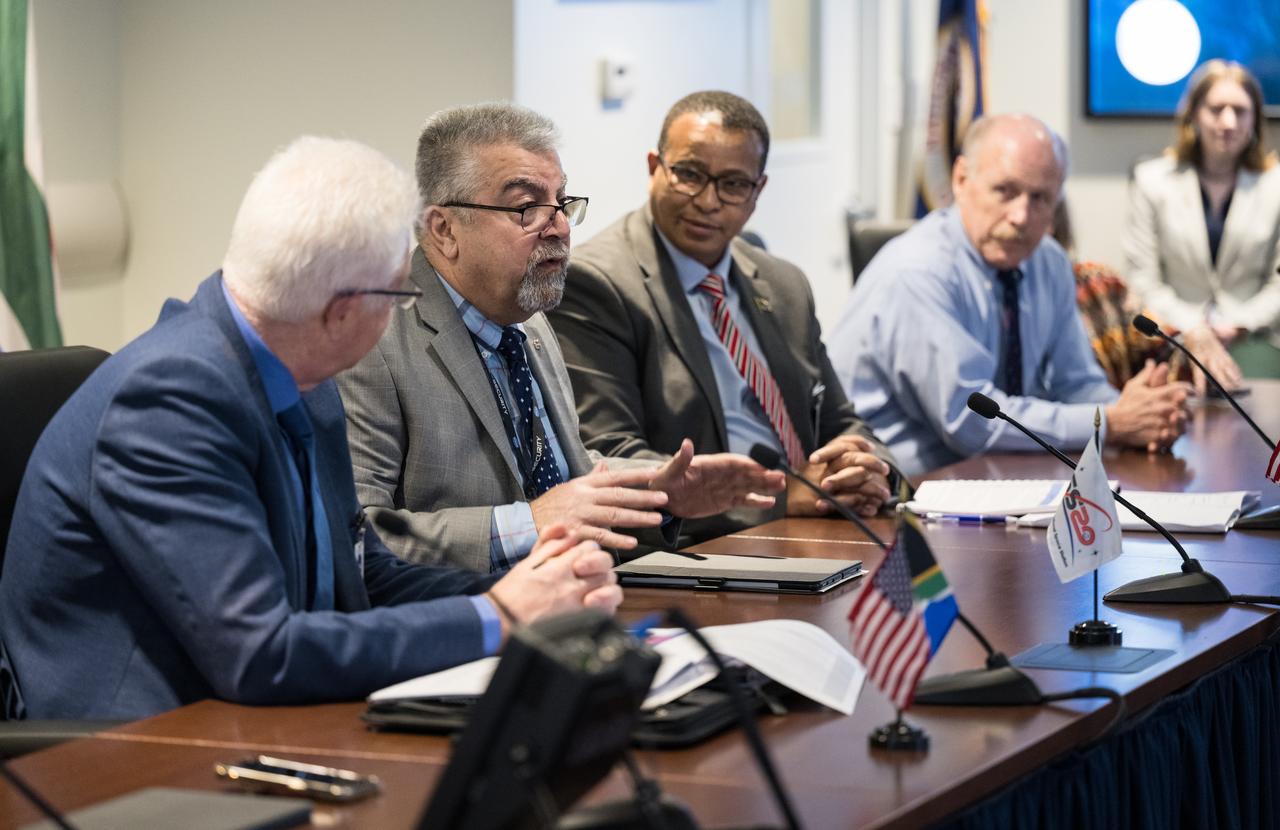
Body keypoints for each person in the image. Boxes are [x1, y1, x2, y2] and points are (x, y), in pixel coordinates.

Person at [0, 137, 620, 721]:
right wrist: (496, 617)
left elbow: (366, 575)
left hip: (256, 715)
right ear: (342, 310)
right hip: (135, 756)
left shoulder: (303, 369)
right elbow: (259, 654)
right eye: (400, 294)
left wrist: (526, 595)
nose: (403, 309)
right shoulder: (165, 404)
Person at [337, 103, 783, 572]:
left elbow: (567, 467)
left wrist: (658, 488)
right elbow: (359, 540)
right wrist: (529, 522)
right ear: (443, 229)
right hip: (475, 626)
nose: (561, 227)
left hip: (586, 600)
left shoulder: (528, 316)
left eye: (563, 202)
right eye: (528, 207)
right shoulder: (372, 340)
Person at [549, 91, 896, 545]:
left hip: (816, 527)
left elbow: (840, 420)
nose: (708, 201)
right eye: (689, 175)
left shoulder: (784, 283)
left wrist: (867, 467)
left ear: (758, 191)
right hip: (703, 548)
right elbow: (612, 457)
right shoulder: (597, 283)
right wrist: (782, 497)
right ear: (655, 167)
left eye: (733, 184)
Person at [829, 114, 1189, 477]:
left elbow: (1076, 381)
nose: (1021, 216)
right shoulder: (917, 272)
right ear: (961, 179)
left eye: (1040, 198)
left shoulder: (1047, 261)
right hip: (889, 494)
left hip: (990, 479)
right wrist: (1108, 422)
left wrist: (1143, 413)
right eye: (1005, 191)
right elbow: (970, 420)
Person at [1124, 59, 1280, 382]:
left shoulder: (1275, 186)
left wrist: (1234, 324)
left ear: (1254, 119)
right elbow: (1143, 280)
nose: (1228, 121)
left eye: (1240, 110)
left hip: (1253, 337)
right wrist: (1195, 327)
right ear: (1194, 114)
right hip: (1173, 335)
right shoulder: (1151, 180)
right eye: (1216, 108)